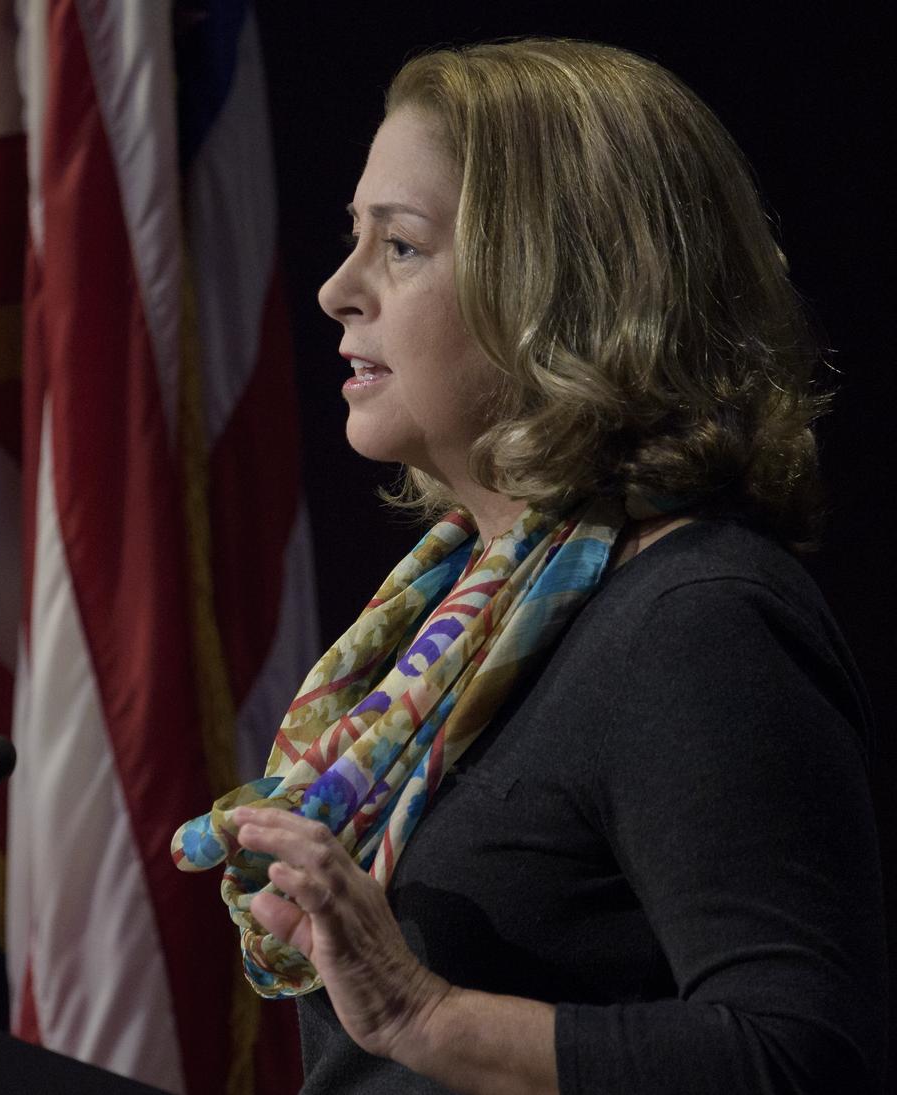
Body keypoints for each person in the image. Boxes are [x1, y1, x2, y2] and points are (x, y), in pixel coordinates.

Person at [172, 38, 887, 1094]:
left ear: (560, 288)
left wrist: (427, 1014)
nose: (336, 289)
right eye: (352, 239)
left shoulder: (694, 622)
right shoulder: (458, 628)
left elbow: (798, 1058)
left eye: (401, 246)